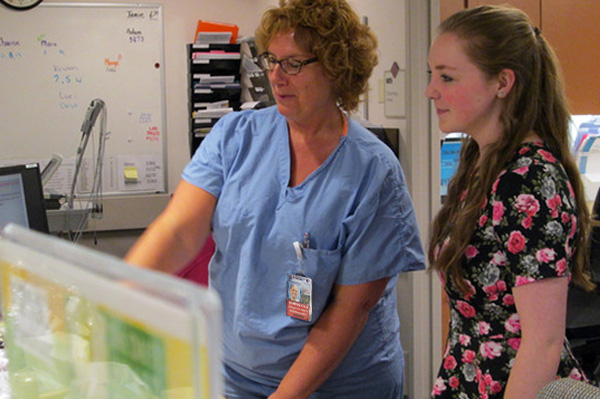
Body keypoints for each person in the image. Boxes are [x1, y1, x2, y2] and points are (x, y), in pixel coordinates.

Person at [125, 0, 426, 398]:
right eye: (271, 60)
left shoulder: (373, 171)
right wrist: (120, 293)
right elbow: (180, 230)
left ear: (337, 67)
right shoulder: (235, 136)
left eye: (295, 63)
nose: (276, 77)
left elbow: (351, 309)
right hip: (237, 373)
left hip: (338, 384)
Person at [425, 5, 596, 399]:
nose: (431, 90)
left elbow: (543, 342)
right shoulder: (480, 160)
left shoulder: (530, 180)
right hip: (468, 378)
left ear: (503, 82)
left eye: (447, 77)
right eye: (432, 74)